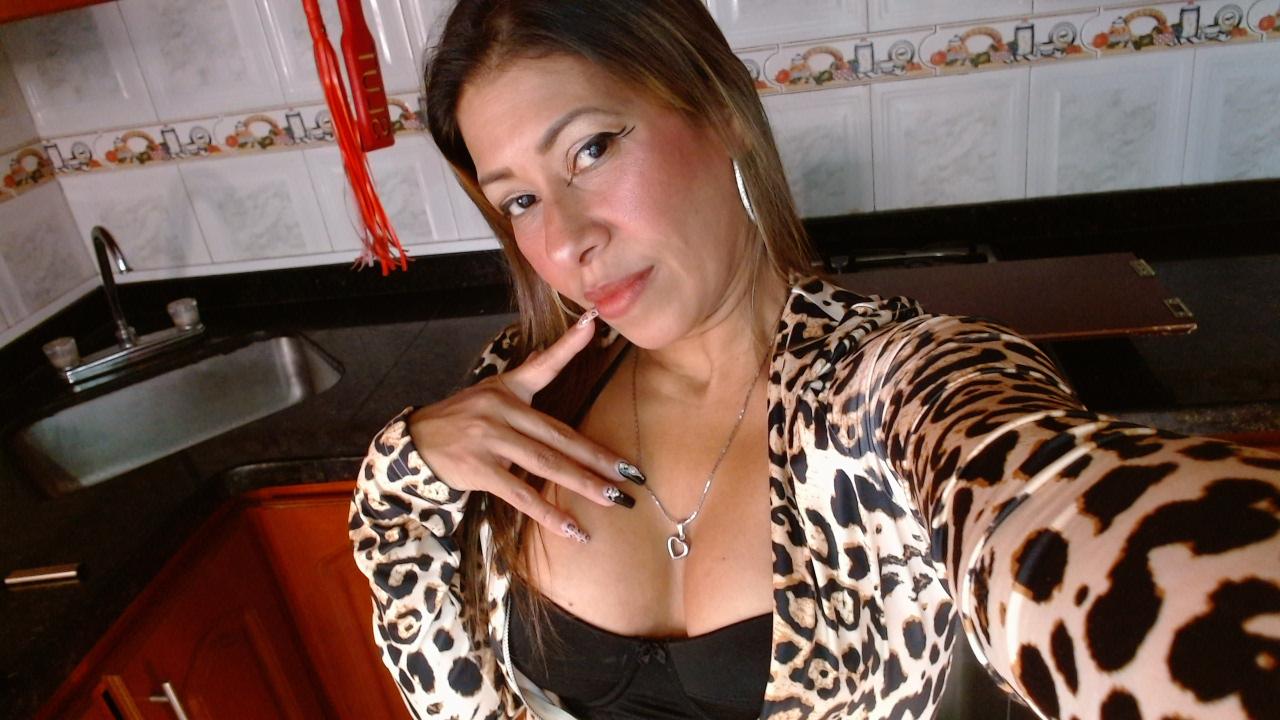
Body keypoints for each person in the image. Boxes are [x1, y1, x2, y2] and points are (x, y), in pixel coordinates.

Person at [349, 1, 1280, 718]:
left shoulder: (886, 384)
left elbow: (1045, 507)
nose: (565, 242)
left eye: (590, 149)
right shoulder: (534, 386)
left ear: (720, 112)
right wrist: (408, 461)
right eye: (519, 201)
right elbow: (427, 620)